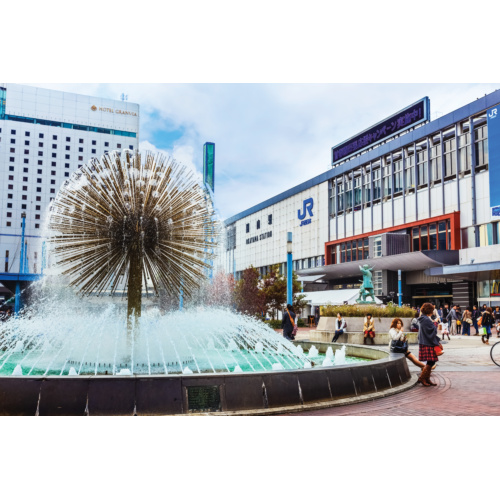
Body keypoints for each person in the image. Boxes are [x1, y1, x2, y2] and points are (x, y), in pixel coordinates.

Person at [417, 302, 442, 387]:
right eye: (432, 309)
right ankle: (422, 378)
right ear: (429, 310)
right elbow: (432, 331)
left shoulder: (423, 318)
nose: (432, 311)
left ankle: (426, 379)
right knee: (431, 361)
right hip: (427, 343)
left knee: (431, 361)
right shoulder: (426, 319)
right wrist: (435, 323)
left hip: (425, 342)